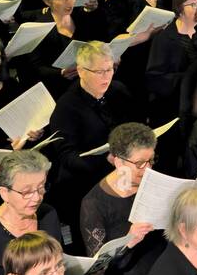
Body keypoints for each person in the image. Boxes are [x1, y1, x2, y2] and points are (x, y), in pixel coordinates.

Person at [78, 122, 159, 275]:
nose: (147, 169)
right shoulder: (94, 203)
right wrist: (128, 240)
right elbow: (96, 270)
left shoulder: (152, 183)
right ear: (119, 161)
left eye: (151, 160)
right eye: (140, 163)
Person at [47, 41, 136, 210]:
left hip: (123, 174)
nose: (107, 77)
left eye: (110, 69)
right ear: (81, 71)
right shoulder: (66, 107)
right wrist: (105, 160)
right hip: (85, 185)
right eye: (99, 72)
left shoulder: (119, 91)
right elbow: (68, 157)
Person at [0, 151, 60, 275]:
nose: (37, 198)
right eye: (26, 192)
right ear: (4, 193)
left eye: (41, 187)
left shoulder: (48, 214)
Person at [19, 0, 97, 98]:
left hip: (83, 82)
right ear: (47, 1)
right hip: (54, 88)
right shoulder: (40, 26)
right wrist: (60, 73)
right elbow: (36, 68)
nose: (69, 1)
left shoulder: (81, 16)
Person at [145, 0, 197, 122]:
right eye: (193, 4)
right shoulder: (164, 39)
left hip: (196, 105)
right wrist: (191, 78)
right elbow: (155, 79)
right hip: (172, 109)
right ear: (180, 10)